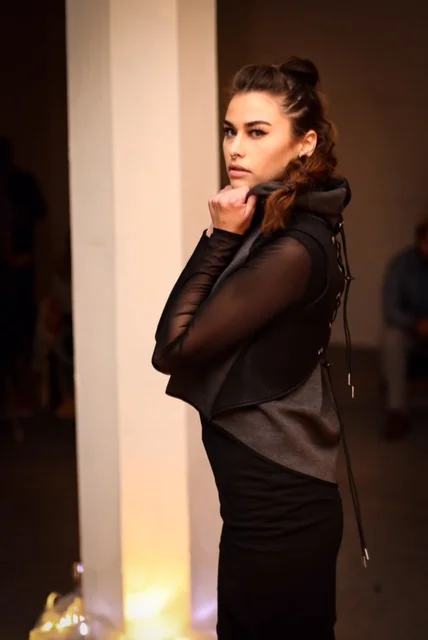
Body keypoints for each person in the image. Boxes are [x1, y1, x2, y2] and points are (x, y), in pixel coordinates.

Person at [152, 57, 367, 639]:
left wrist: (218, 237)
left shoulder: (292, 248)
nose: (236, 148)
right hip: (262, 504)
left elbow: (173, 347)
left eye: (256, 131)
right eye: (230, 131)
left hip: (281, 511)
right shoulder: (277, 223)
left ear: (305, 143)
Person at [381, 219, 428, 438]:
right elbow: (390, 309)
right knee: (392, 337)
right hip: (412, 329)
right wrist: (415, 324)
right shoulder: (402, 263)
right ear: (419, 241)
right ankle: (397, 411)